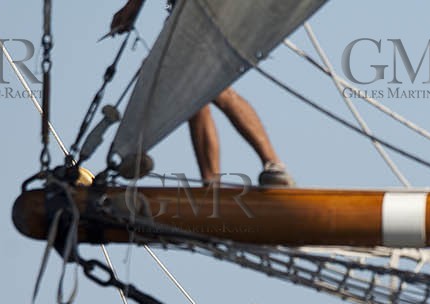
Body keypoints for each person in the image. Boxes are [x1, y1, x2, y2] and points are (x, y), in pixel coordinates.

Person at [108, 0, 295, 187]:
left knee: (210, 88)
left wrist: (132, 6)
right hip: (189, 12)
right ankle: (212, 182)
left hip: (205, 11)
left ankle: (272, 163)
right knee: (193, 94)